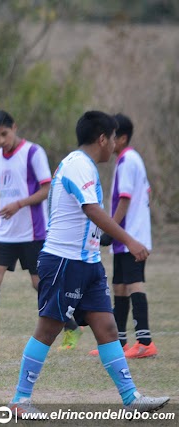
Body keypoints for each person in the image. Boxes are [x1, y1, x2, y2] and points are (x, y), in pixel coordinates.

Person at [8, 111, 168, 415]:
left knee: (107, 327)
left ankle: (131, 398)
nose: (114, 147)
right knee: (48, 329)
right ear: (103, 138)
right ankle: (20, 399)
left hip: (88, 263)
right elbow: (92, 210)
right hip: (64, 261)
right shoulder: (79, 165)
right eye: (113, 139)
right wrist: (129, 240)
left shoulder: (84, 166)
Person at [0, 108, 82, 351]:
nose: (0, 141)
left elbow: (46, 189)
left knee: (39, 283)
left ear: (14, 127)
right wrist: (10, 207)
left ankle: (71, 327)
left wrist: (19, 204)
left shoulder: (33, 152)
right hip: (5, 232)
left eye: (4, 134)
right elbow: (3, 191)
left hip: (33, 232)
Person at [89, 114, 157, 358]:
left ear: (123, 137)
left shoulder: (128, 161)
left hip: (131, 239)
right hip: (126, 238)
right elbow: (147, 194)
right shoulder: (130, 160)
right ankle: (119, 343)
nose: (109, 140)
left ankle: (145, 342)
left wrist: (110, 227)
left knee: (133, 283)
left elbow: (126, 199)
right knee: (119, 286)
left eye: (113, 136)